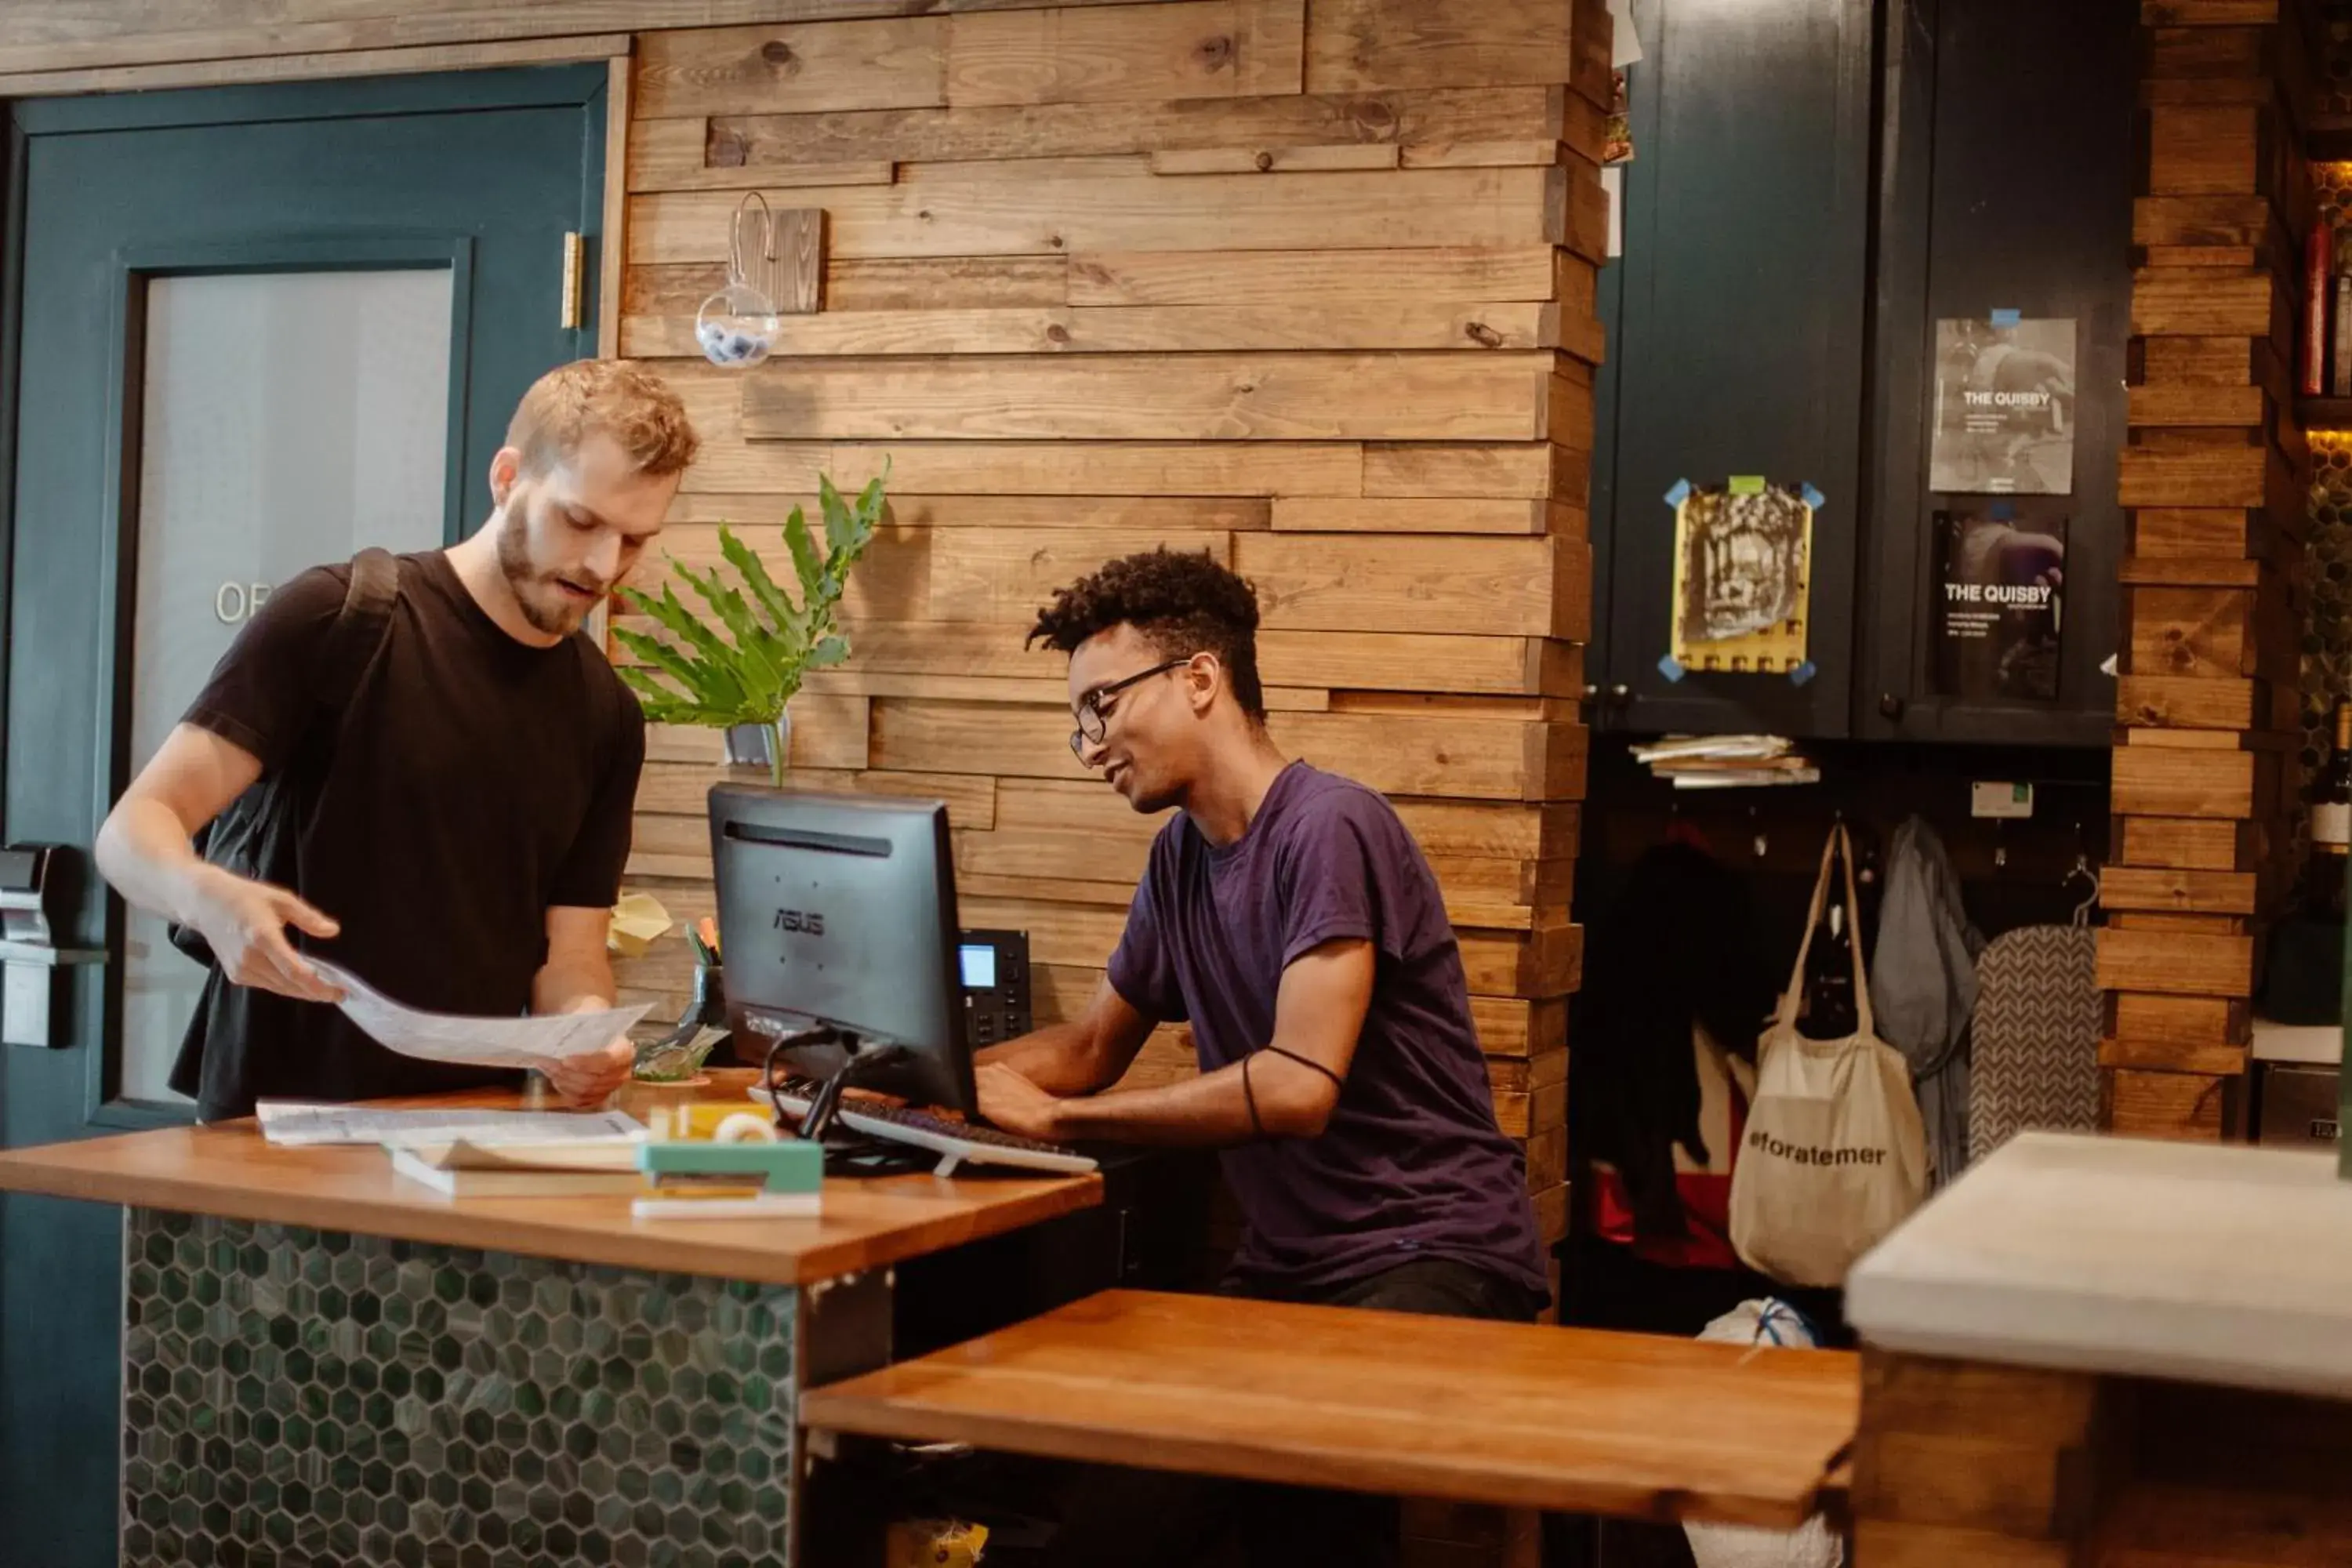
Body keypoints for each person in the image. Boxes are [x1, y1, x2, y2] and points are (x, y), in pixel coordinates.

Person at [971, 547, 1547, 1566]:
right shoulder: (1179, 859)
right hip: (1297, 1270)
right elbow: (1095, 1045)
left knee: (1260, 1507)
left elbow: (1296, 1086)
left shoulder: (1327, 828)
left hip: (1431, 1254)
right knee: (1102, 1528)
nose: (1091, 743)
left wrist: (1058, 1122)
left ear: (1199, 679)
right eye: (1081, 720)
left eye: (1102, 704)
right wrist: (929, 1075)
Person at [95, 359, 698, 1122]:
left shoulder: (607, 713)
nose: (604, 565)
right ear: (508, 477)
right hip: (273, 1137)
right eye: (580, 521)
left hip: (472, 1140)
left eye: (635, 540)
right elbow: (130, 831)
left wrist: (585, 1037)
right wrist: (204, 894)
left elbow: (570, 954)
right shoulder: (336, 618)